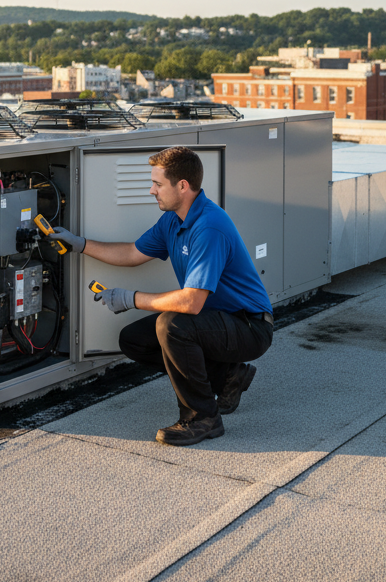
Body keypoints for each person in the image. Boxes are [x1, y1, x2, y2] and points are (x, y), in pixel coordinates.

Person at [44, 146, 273, 447]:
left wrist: (130, 298)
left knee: (172, 326)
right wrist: (80, 244)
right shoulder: (173, 219)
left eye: (158, 184)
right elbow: (132, 253)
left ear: (182, 186)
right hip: (213, 321)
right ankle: (229, 375)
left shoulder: (208, 226)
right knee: (134, 339)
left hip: (249, 326)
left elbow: (191, 302)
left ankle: (202, 418)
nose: (151, 191)